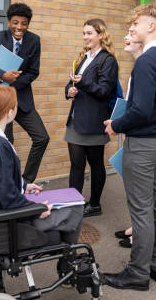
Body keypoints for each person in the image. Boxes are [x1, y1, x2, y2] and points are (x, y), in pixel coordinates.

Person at [102, 4, 156, 291]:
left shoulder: (147, 61)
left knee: (142, 211)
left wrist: (116, 125)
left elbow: (142, 110)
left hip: (145, 145)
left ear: (152, 26)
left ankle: (137, 274)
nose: (131, 28)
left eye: (135, 23)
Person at [0, 85, 83, 245]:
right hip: (13, 221)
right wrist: (36, 210)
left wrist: (23, 185)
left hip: (1, 212)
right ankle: (69, 261)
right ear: (9, 112)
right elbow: (8, 197)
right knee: (75, 208)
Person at [0, 3, 49, 184]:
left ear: (28, 24)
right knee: (5, 143)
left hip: (21, 99)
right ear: (8, 22)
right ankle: (4, 185)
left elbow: (33, 72)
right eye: (15, 22)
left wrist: (14, 81)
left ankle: (26, 181)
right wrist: (1, 75)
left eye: (24, 23)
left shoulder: (34, 40)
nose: (19, 27)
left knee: (42, 138)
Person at [64, 19, 118, 217]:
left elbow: (104, 91)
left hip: (94, 122)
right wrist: (69, 90)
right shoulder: (83, 57)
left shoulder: (108, 60)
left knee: (96, 164)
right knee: (76, 165)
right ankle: (73, 204)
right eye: (84, 33)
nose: (85, 37)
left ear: (101, 35)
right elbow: (73, 83)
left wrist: (83, 84)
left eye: (89, 33)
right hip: (75, 119)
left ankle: (94, 205)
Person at [114, 32, 143, 248]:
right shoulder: (137, 66)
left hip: (141, 137)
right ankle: (136, 226)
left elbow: (141, 109)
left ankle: (140, 236)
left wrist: (117, 125)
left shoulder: (145, 67)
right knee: (132, 186)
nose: (126, 37)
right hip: (132, 132)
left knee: (141, 190)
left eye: (131, 34)